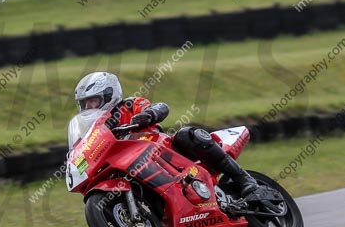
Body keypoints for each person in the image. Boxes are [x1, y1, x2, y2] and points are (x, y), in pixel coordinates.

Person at [74, 71, 259, 201]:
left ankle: (244, 179)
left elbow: (160, 107)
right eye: (85, 104)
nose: (89, 107)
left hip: (161, 151)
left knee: (187, 134)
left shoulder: (129, 105)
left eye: (93, 101)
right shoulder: (97, 129)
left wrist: (149, 114)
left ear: (109, 94)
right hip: (129, 166)